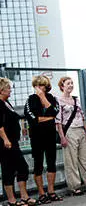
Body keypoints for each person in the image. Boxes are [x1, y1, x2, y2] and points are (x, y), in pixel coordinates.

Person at [56, 77, 86, 196]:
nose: (71, 85)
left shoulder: (76, 99)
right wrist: (62, 136)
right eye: (68, 83)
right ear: (62, 86)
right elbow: (58, 121)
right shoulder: (58, 100)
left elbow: (82, 116)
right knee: (71, 160)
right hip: (69, 131)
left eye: (72, 83)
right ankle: (75, 186)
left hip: (80, 130)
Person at [24, 75, 62, 204]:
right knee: (38, 165)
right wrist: (48, 118)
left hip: (50, 135)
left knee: (51, 163)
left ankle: (51, 191)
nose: (39, 88)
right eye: (37, 86)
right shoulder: (30, 99)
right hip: (36, 137)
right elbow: (32, 118)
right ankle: (41, 193)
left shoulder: (52, 98)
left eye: (41, 85)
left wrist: (43, 97)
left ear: (46, 87)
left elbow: (55, 112)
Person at [0, 77, 38, 206]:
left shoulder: (6, 103)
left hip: (13, 141)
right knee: (9, 170)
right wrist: (5, 139)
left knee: (21, 168)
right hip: (5, 143)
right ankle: (11, 200)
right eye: (8, 88)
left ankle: (23, 196)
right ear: (1, 90)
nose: (10, 90)